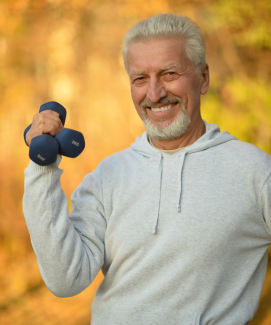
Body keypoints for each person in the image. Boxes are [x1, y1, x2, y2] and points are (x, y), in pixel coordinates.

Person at [23, 13, 271, 325]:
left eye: (169, 73)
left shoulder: (257, 173)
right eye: (140, 79)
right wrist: (41, 170)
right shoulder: (106, 176)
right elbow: (65, 280)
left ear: (203, 78)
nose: (154, 94)